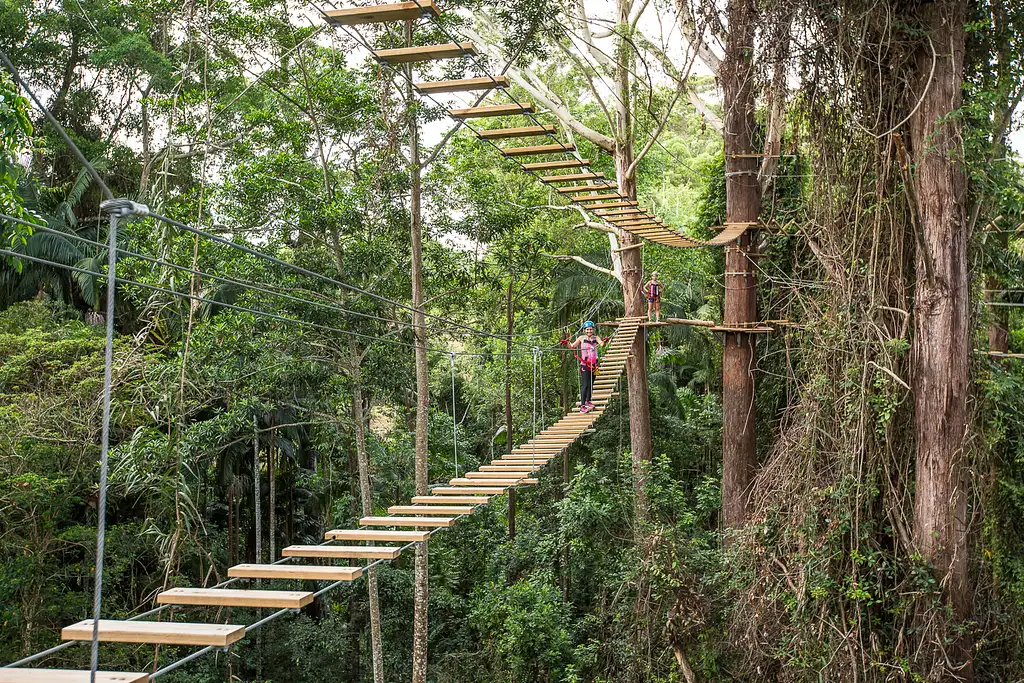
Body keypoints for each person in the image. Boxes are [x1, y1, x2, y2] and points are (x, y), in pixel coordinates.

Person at [568, 321, 609, 413]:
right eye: (587, 329)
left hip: (594, 365)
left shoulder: (596, 338)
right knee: (585, 385)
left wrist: (605, 341)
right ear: (585, 330)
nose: (589, 331)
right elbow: (572, 346)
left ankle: (588, 401)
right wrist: (566, 343)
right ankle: (582, 405)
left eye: (591, 329)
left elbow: (601, 344)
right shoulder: (581, 338)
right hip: (585, 365)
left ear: (593, 330)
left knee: (591, 384)